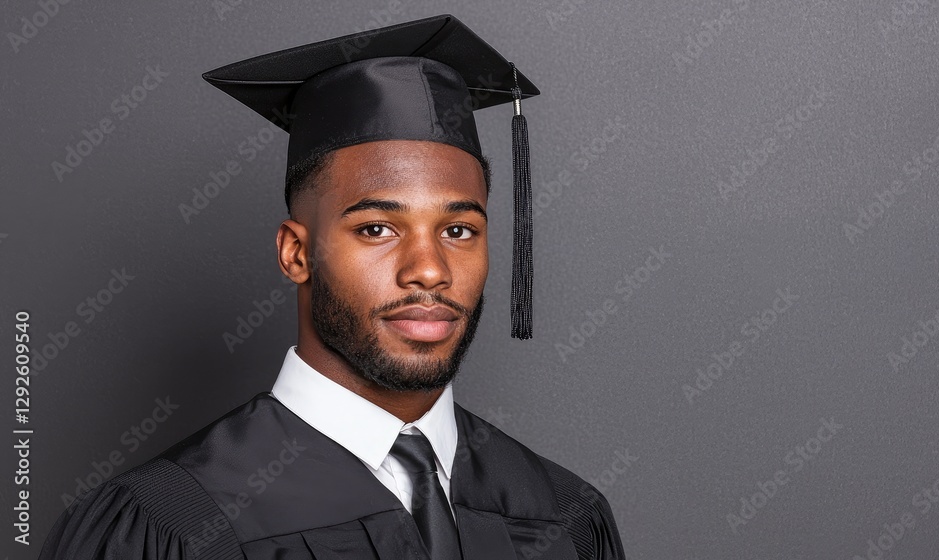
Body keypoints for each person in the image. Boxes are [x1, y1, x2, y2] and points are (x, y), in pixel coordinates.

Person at [39, 14, 626, 560]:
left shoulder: (565, 515)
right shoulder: (166, 523)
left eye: (458, 230)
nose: (429, 270)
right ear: (296, 254)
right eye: (376, 229)